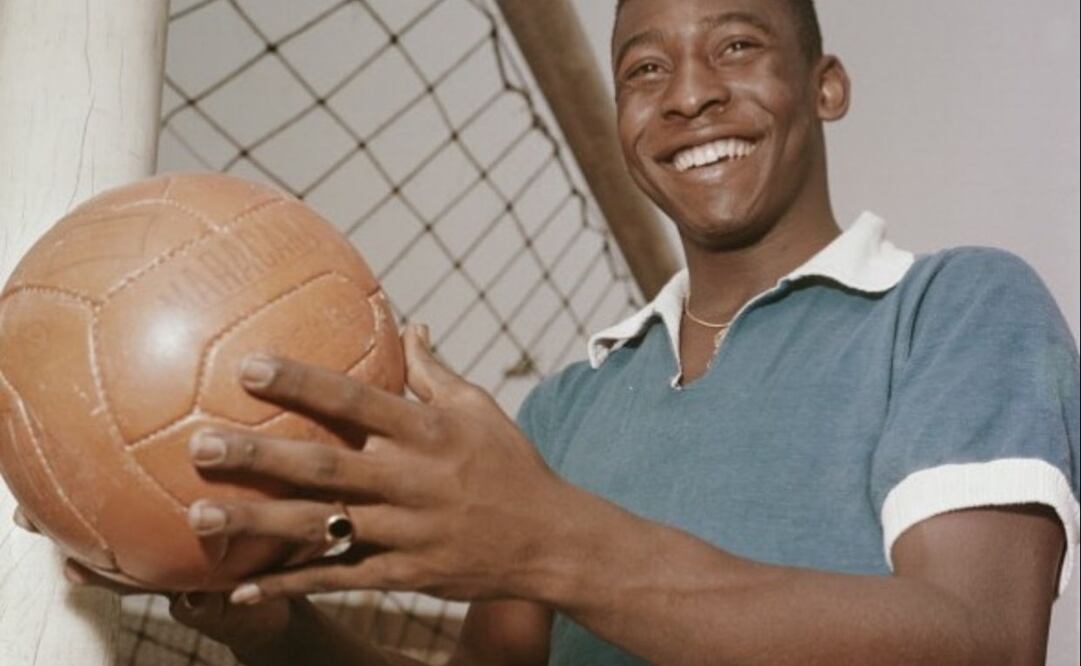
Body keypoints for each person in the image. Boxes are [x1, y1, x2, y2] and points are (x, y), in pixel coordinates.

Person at [15, 0, 1079, 663]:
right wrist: (273, 631)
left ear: (824, 85)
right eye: (644, 69)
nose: (690, 95)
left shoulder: (957, 308)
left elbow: (979, 642)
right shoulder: (567, 406)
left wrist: (550, 540)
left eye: (738, 45)